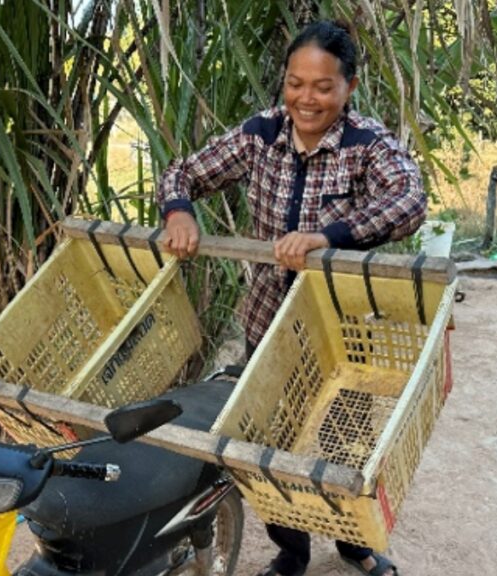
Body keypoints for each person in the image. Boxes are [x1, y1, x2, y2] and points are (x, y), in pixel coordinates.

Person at [155, 19, 425, 576]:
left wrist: (330, 237)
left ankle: (354, 545)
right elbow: (183, 171)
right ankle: (291, 551)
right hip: (268, 322)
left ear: (349, 86)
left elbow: (409, 201)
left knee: (343, 441)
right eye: (296, 83)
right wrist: (179, 209)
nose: (307, 98)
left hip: (343, 331)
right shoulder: (261, 133)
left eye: (324, 87)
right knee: (272, 442)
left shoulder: (366, 144)